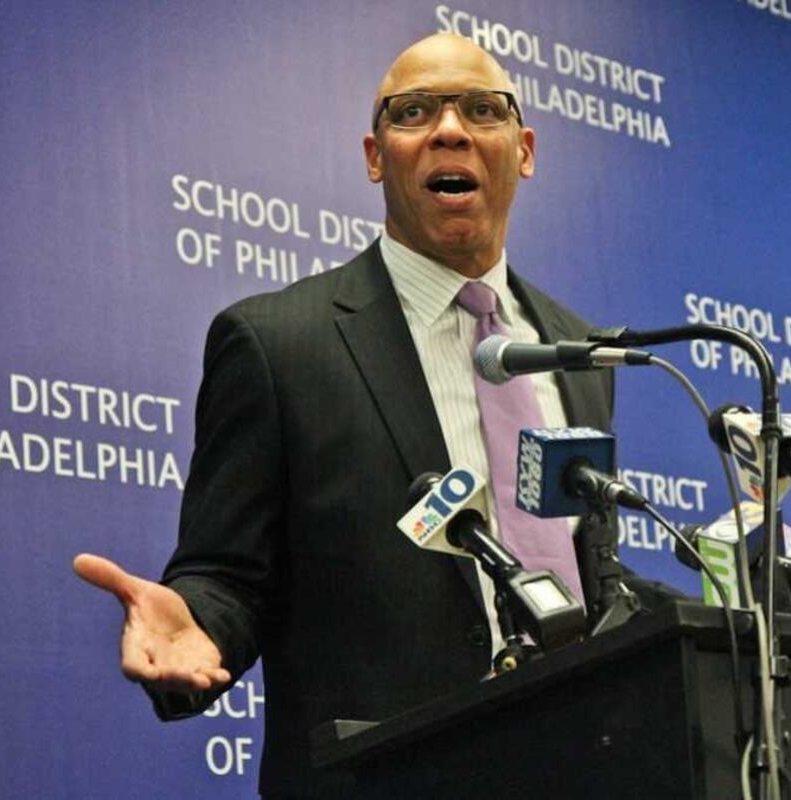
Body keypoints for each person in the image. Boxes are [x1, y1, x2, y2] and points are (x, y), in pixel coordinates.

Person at [75, 33, 668, 798]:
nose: (449, 129)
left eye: (481, 110)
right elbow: (228, 577)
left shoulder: (573, 349)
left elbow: (590, 571)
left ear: (523, 150)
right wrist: (193, 622)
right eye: (414, 111)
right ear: (374, 156)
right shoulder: (279, 344)